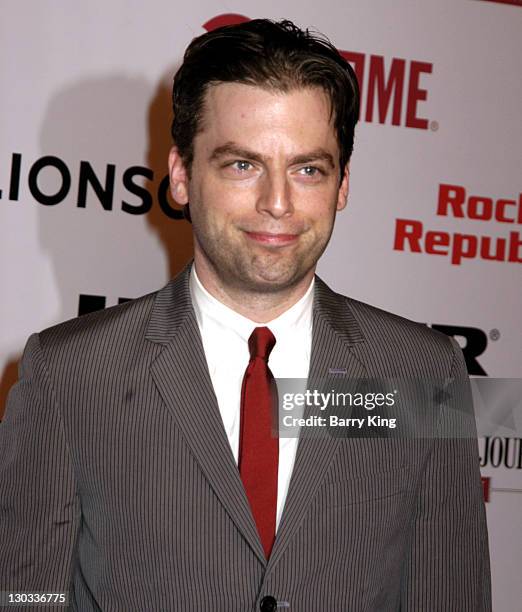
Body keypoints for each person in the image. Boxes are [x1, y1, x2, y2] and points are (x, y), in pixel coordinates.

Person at [0, 19, 490, 612]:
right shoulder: (68, 373)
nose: (277, 203)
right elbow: (28, 598)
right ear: (181, 175)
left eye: (308, 169)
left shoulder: (422, 372)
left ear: (342, 185)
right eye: (242, 165)